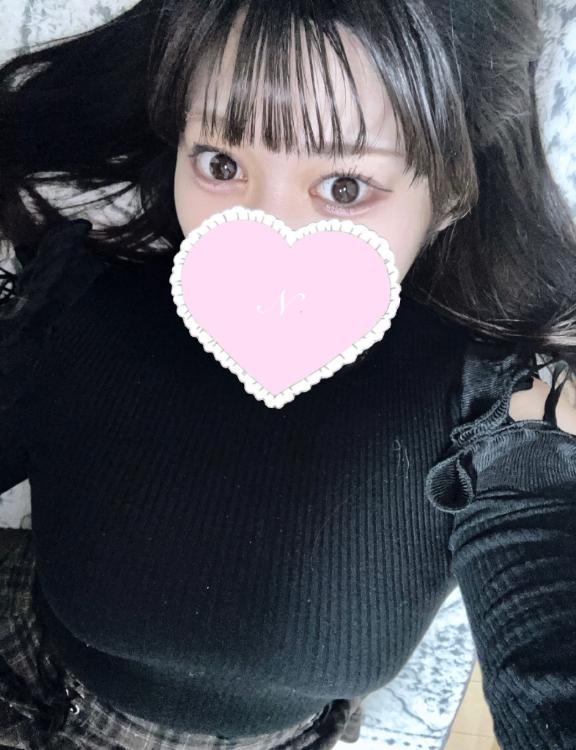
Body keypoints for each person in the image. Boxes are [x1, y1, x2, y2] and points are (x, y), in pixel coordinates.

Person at [0, 0, 575, 748]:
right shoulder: (79, 307)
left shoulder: (499, 412)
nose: (263, 232)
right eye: (221, 164)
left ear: (449, 199)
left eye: (345, 188)